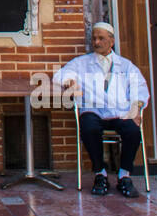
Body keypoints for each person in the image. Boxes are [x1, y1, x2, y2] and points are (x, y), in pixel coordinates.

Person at [58, 22, 150, 198]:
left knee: (132, 130)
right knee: (89, 127)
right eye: (94, 38)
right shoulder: (82, 63)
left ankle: (124, 175)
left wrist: (137, 107)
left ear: (112, 41)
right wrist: (69, 80)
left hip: (119, 111)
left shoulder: (125, 65)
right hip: (93, 110)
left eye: (101, 38)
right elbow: (62, 74)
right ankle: (100, 173)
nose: (96, 42)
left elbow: (139, 87)